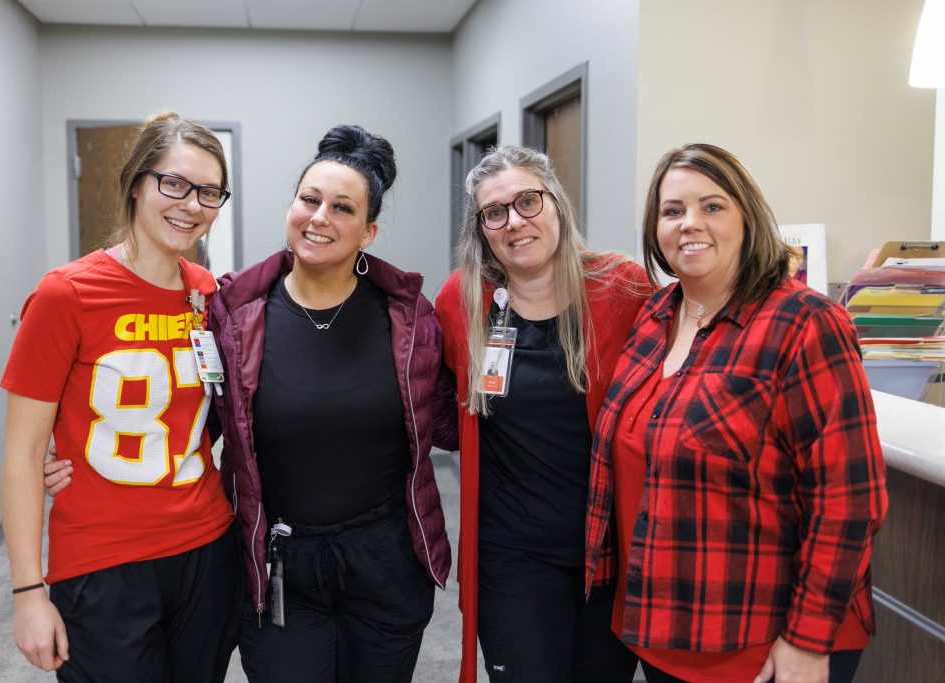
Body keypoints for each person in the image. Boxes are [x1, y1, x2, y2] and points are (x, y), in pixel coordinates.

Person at [586, 143, 888, 683]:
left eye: (713, 206)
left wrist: (807, 639)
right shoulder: (655, 315)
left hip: (764, 642)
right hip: (666, 629)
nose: (689, 224)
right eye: (672, 210)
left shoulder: (804, 323)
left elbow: (849, 498)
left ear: (747, 217)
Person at [209, 124, 457, 682]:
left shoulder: (410, 319)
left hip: (385, 560)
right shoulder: (235, 316)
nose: (320, 217)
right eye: (309, 199)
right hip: (281, 562)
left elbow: (450, 424)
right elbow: (191, 421)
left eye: (342, 208)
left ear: (368, 231)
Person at [1, 112, 242, 681]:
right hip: (103, 560)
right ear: (137, 182)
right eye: (175, 183)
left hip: (206, 547)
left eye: (209, 192)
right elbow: (21, 455)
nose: (191, 204)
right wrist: (27, 592)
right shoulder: (66, 294)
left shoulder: (207, 294)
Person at [435, 145, 651, 683]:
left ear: (556, 204)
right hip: (512, 557)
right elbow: (439, 409)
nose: (514, 222)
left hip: (610, 550)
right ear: (481, 228)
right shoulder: (461, 301)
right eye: (495, 212)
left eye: (527, 201)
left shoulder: (621, 288)